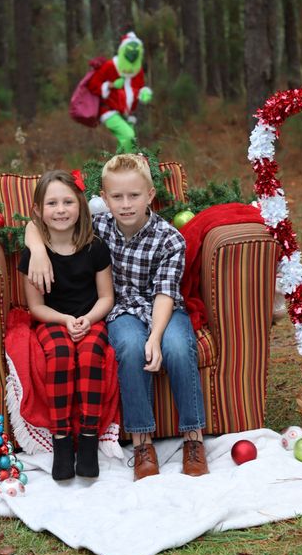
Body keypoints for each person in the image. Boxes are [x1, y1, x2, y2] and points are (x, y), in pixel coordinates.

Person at [25, 155, 209, 481]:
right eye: (117, 197)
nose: (125, 204)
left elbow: (166, 293)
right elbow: (40, 223)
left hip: (164, 308)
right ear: (104, 198)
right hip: (121, 309)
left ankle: (193, 439)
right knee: (128, 347)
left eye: (134, 196)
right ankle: (142, 443)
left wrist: (156, 336)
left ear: (150, 195)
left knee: (179, 347)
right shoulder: (99, 226)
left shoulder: (169, 238)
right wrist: (37, 249)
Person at [18, 169, 114, 481]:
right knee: (59, 355)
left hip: (90, 320)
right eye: (52, 203)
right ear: (38, 211)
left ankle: (87, 440)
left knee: (89, 356)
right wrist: (64, 320)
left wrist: (88, 319)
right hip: (53, 320)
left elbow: (106, 297)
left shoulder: (94, 246)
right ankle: (61, 440)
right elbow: (36, 307)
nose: (60, 210)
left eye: (68, 202)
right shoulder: (32, 256)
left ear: (81, 205)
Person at [86, 32, 152, 152]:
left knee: (128, 146)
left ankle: (115, 168)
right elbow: (93, 84)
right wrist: (110, 85)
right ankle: (121, 168)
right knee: (128, 136)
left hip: (127, 114)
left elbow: (138, 87)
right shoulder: (110, 66)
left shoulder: (137, 70)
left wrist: (143, 93)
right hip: (109, 111)